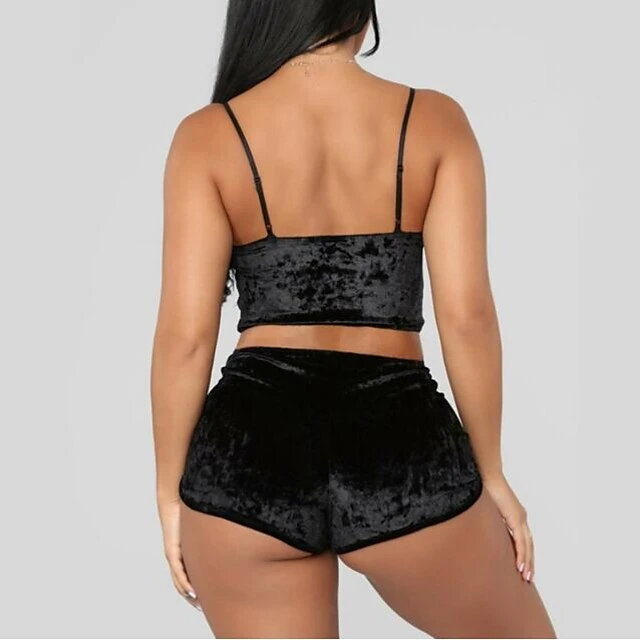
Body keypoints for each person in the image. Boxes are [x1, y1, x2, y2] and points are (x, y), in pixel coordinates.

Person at [150, 1, 557, 637]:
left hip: (249, 453)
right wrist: (492, 472)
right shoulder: (433, 121)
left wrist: (169, 491)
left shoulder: (208, 135)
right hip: (401, 446)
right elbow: (467, 316)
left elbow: (185, 337)